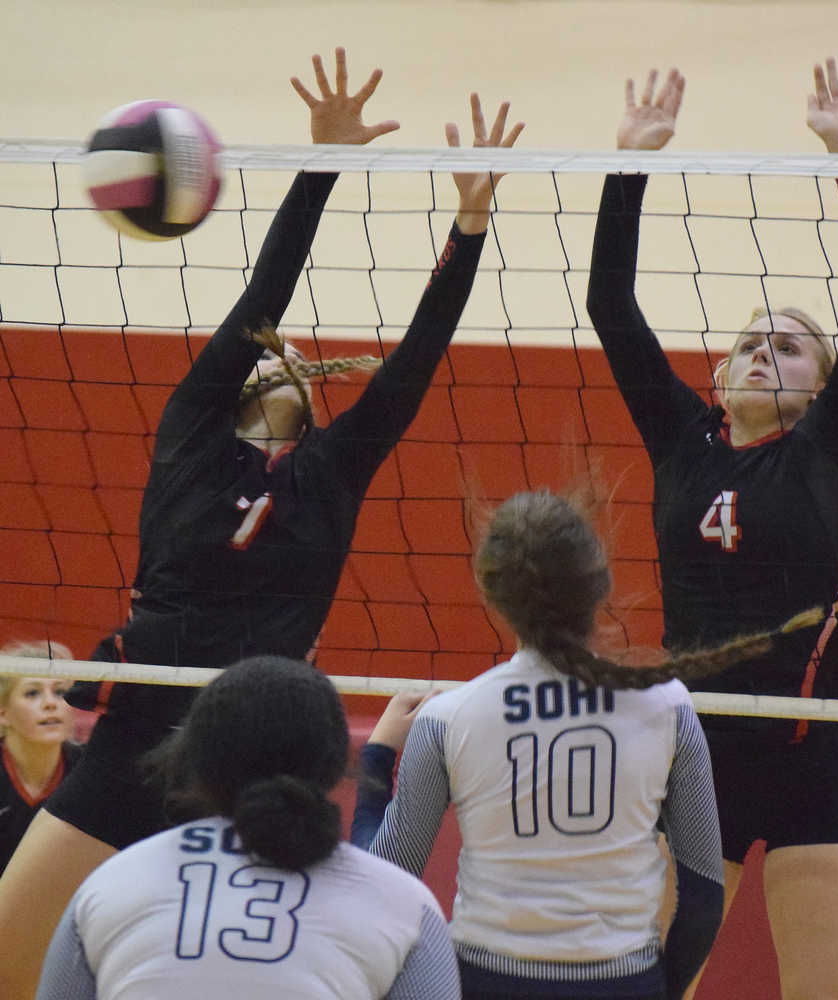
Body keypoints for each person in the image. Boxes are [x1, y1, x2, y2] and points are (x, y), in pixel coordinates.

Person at [0, 47, 523, 1000]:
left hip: (251, 762)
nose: (286, 364)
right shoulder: (192, 435)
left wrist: (470, 228)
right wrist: (324, 165)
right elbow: (263, 296)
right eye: (271, 362)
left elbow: (413, 365)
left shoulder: (330, 476)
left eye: (299, 370)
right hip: (134, 737)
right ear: (248, 379)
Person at [585, 55, 838, 1000]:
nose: (765, 351)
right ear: (720, 376)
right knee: (653, 986)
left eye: (791, 344)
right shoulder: (686, 439)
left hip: (814, 754)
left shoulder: (827, 448)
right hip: (698, 756)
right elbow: (610, 304)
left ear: (820, 383)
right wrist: (629, 164)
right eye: (749, 342)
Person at [351, 488, 824, 1000]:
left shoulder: (448, 717)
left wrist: (377, 755)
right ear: (599, 585)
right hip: (623, 982)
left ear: (492, 592)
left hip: (487, 981)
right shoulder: (667, 707)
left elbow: (382, 885)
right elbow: (704, 899)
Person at [34, 654, 461, 999]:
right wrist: (380, 754)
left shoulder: (110, 885)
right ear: (333, 769)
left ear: (192, 759)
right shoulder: (405, 907)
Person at [0, 642, 80, 875]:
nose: (50, 703)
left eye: (60, 692)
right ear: (3, 713)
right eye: (33, 693)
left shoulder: (91, 771)